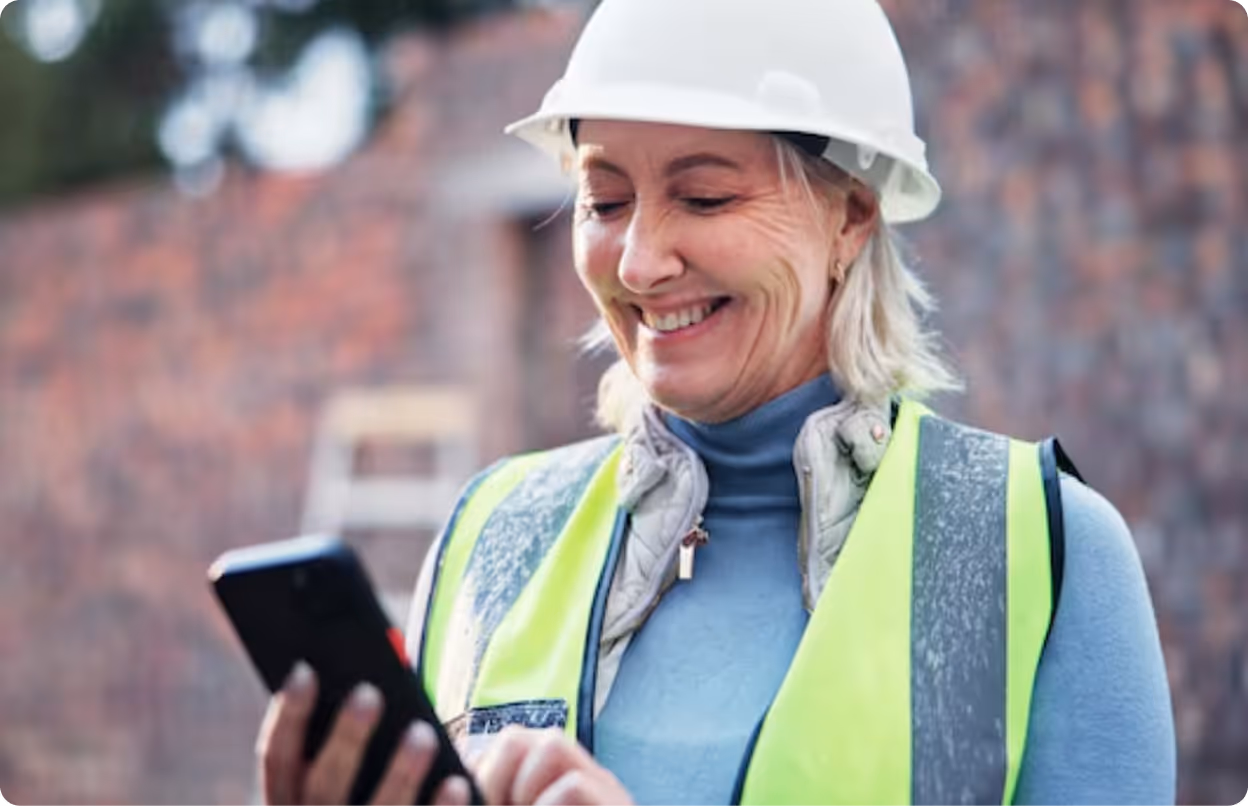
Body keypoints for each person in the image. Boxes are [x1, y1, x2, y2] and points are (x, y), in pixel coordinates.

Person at [255, 0, 1177, 803]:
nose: (640, 261)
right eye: (604, 201)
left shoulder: (1044, 554)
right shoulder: (491, 536)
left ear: (851, 217)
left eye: (702, 197)